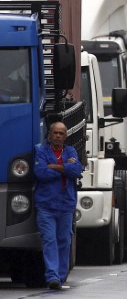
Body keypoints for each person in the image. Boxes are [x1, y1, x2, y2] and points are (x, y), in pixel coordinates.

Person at [33, 121, 82, 290]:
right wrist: (64, 168)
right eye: (56, 133)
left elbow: (76, 170)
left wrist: (54, 166)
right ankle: (52, 276)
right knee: (49, 239)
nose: (58, 136)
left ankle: (61, 276)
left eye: (62, 133)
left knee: (64, 240)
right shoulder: (41, 151)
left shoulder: (71, 151)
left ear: (65, 136)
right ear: (50, 134)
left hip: (66, 205)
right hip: (46, 204)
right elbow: (41, 172)